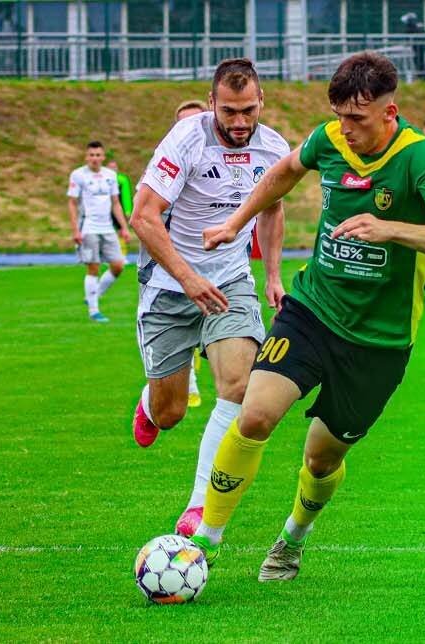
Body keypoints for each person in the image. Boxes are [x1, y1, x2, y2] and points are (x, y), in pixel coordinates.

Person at [192, 51, 425, 581]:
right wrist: (236, 223)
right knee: (255, 415)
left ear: (389, 113)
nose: (346, 129)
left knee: (321, 459)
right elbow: (283, 173)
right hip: (312, 310)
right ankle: (204, 541)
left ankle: (292, 538)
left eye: (357, 119)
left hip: (379, 341)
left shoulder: (421, 158)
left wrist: (391, 229)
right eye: (340, 116)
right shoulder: (329, 139)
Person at [127, 60, 290, 541]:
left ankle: (198, 505)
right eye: (229, 112)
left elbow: (272, 208)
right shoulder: (186, 140)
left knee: (239, 387)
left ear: (261, 102)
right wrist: (188, 278)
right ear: (212, 103)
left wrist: (272, 275)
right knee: (172, 412)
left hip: (230, 281)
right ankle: (150, 404)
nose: (240, 122)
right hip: (169, 284)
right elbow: (143, 216)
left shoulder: (273, 148)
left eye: (248, 111)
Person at [165, 99, 211, 410]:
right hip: (176, 261)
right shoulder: (167, 165)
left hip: (219, 260)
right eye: (183, 124)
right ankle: (189, 382)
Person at [67, 141, 130, 323]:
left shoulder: (110, 175)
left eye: (98, 155)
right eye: (91, 155)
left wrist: (124, 227)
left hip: (108, 227)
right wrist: (75, 230)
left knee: (118, 265)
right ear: (86, 157)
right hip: (88, 227)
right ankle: (94, 311)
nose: (94, 158)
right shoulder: (78, 175)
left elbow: (116, 203)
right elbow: (72, 203)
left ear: (103, 157)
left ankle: (94, 295)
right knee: (93, 267)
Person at [106, 159, 132, 257]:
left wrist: (128, 210)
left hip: (118, 211)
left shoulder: (122, 179)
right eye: (110, 167)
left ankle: (122, 255)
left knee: (122, 232)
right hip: (106, 210)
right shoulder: (103, 179)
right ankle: (109, 256)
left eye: (114, 167)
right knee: (108, 233)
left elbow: (126, 196)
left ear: (117, 168)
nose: (112, 169)